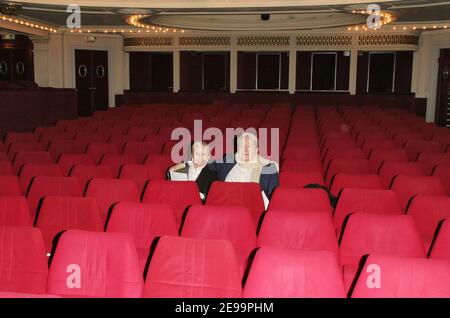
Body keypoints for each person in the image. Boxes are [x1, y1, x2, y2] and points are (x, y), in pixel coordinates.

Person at [207, 132, 279, 203]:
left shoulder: (268, 168)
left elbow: (274, 198)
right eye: (241, 145)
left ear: (257, 149)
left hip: (251, 209)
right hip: (225, 205)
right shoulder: (229, 160)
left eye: (250, 146)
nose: (245, 150)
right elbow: (209, 165)